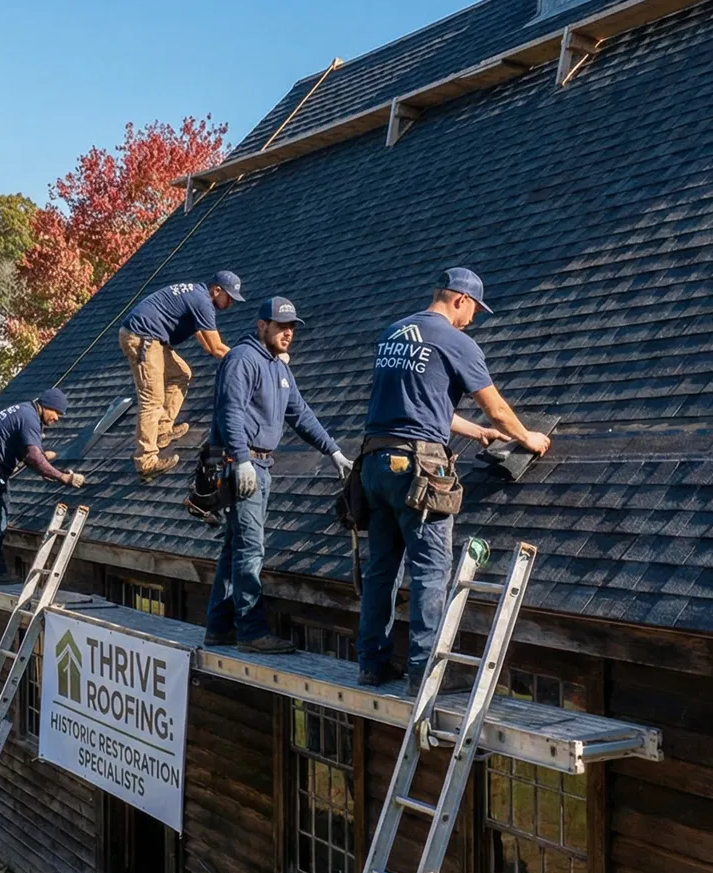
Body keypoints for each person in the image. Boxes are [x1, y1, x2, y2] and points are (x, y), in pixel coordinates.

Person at [355, 268, 550, 689]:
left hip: (374, 461)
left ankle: (372, 663)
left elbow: (416, 405)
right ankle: (426, 669)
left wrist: (475, 432)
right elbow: (497, 408)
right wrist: (527, 437)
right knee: (430, 567)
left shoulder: (392, 333)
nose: (473, 320)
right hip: (419, 467)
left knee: (382, 568)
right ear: (459, 299)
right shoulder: (455, 342)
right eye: (473, 310)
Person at [206, 297, 353, 653]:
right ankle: (252, 633)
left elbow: (300, 415)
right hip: (240, 463)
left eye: (292, 327)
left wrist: (333, 451)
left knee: (235, 546)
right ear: (262, 326)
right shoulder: (243, 359)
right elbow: (231, 412)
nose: (288, 333)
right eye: (281, 326)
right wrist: (241, 459)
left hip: (260, 465)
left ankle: (219, 627)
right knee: (251, 550)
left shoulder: (278, 368)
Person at [119, 270, 246, 481]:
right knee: (152, 399)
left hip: (152, 339)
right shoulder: (203, 302)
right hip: (141, 336)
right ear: (217, 290)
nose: (231, 303)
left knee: (181, 374)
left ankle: (162, 431)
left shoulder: (196, 296)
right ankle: (146, 462)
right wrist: (246, 362)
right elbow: (216, 348)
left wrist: (223, 357)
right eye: (229, 297)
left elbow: (206, 344)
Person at [0, 387, 85, 582]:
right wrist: (63, 478)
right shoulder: (29, 417)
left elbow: (29, 456)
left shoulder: (24, 411)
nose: (57, 418)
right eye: (57, 413)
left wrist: (44, 467)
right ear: (47, 405)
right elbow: (33, 455)